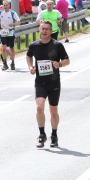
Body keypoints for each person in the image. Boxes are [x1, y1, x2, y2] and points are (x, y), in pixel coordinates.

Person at [26, 21, 70, 149]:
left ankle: (54, 135)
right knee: (39, 107)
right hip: (40, 82)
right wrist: (30, 67)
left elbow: (67, 60)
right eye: (42, 29)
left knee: (53, 111)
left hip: (54, 82)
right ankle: (42, 134)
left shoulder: (57, 45)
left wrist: (59, 64)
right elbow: (28, 56)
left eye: (47, 29)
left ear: (51, 31)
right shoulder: (34, 45)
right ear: (39, 30)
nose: (44, 31)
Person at [0, 0, 20, 70]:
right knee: (3, 48)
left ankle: (12, 62)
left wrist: (13, 24)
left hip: (10, 32)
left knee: (11, 48)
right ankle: (5, 63)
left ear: (9, 5)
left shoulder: (12, 13)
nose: (5, 7)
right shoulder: (0, 12)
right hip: (3, 32)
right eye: (4, 5)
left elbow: (19, 22)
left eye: (6, 5)